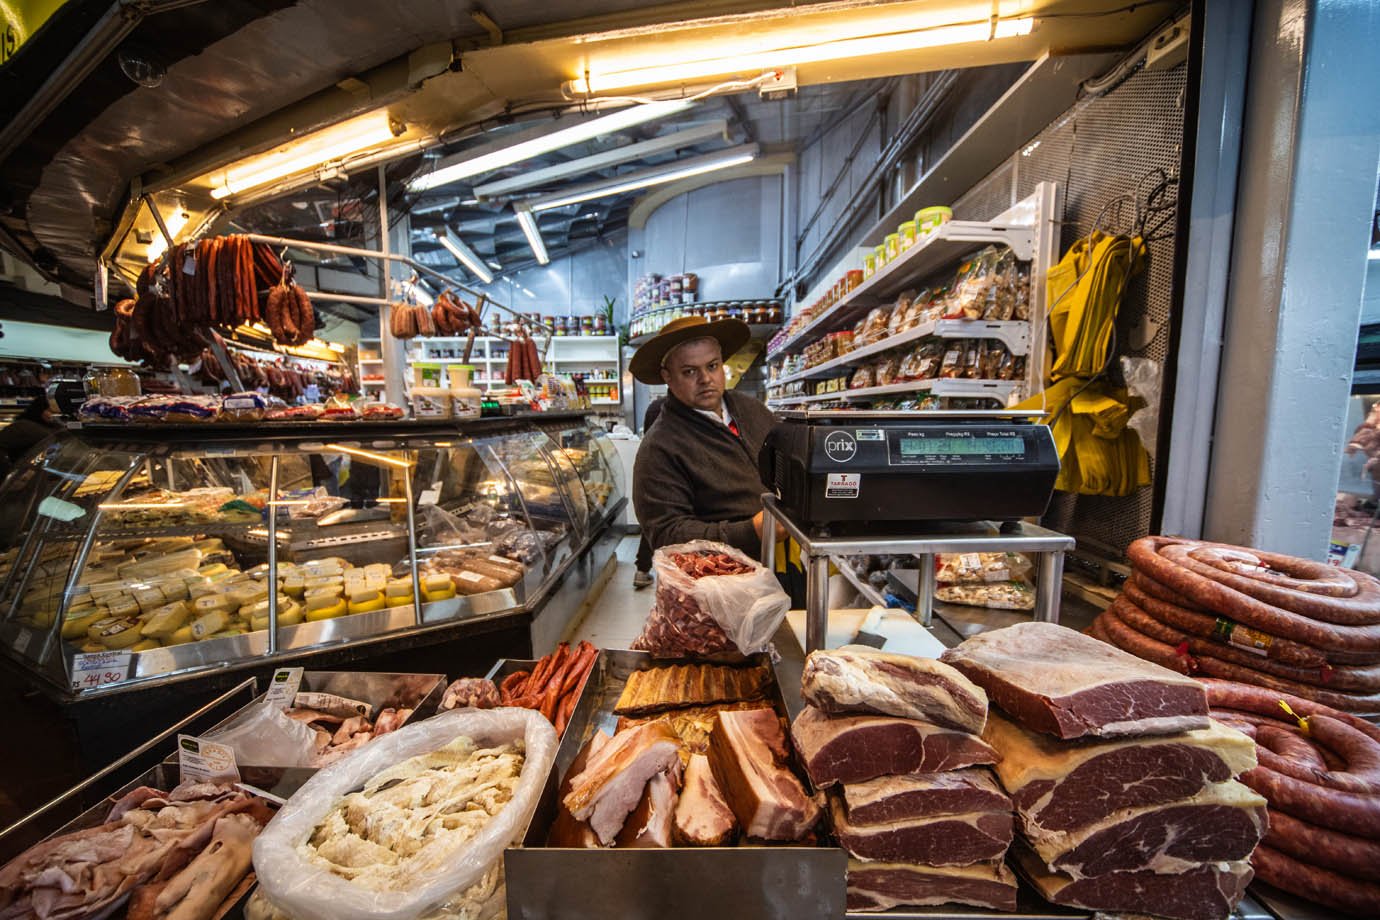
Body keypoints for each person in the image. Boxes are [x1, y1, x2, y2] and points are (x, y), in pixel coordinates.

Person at [631, 315, 787, 563]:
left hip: (786, 564)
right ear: (667, 376)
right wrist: (751, 531)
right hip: (723, 581)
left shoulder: (752, 409)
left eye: (712, 366)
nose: (705, 379)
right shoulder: (659, 446)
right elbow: (666, 533)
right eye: (690, 371)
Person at [631, 395, 665, 589]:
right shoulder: (685, 409)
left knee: (651, 521)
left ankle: (642, 569)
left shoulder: (654, 406)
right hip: (675, 471)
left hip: (652, 469)